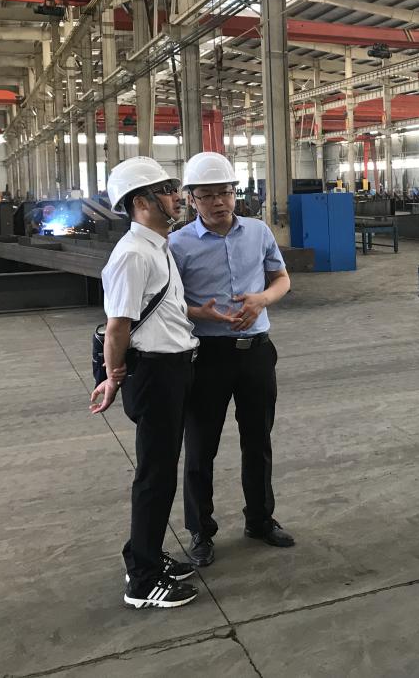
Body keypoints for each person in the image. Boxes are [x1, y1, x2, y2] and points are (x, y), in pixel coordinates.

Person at [169, 151, 293, 568]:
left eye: (225, 192)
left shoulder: (258, 232)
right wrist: (199, 313)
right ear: (191, 199)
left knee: (258, 440)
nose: (219, 202)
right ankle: (200, 531)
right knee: (200, 447)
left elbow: (282, 278)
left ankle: (260, 519)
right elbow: (166, 303)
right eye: (207, 196)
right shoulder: (177, 245)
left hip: (256, 353)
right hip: (206, 357)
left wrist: (262, 300)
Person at [89, 156, 200, 609]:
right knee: (155, 476)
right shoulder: (133, 254)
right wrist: (112, 378)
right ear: (141, 202)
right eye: (167, 190)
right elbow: (118, 326)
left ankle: (145, 553)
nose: (177, 196)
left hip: (172, 369)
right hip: (154, 374)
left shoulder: (157, 246)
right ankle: (143, 581)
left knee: (162, 470)